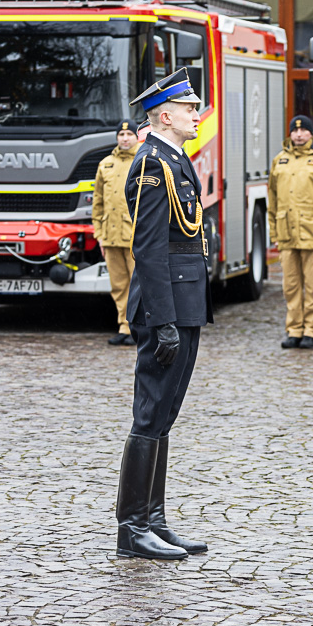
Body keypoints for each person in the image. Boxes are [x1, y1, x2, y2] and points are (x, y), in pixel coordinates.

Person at [114, 68, 213, 560]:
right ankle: (132, 528)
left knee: (165, 414)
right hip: (165, 306)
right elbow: (149, 249)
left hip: (183, 301)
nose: (197, 115)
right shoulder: (152, 164)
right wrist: (163, 319)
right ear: (166, 116)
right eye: (190, 109)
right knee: (151, 413)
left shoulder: (174, 158)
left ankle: (153, 520)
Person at [268, 115, 313, 349]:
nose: (298, 135)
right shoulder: (280, 161)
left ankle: (311, 331)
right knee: (290, 287)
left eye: (303, 131)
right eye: (295, 131)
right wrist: (274, 234)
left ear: (311, 133)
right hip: (287, 234)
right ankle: (294, 330)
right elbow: (272, 200)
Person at [93, 120, 141, 346]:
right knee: (119, 286)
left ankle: (137, 328)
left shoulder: (143, 162)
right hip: (111, 236)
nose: (125, 138)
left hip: (134, 236)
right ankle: (124, 326)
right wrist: (99, 235)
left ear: (137, 137)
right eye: (121, 134)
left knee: (137, 286)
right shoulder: (105, 164)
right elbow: (98, 203)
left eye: (129, 133)